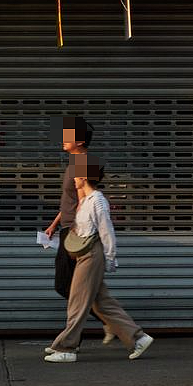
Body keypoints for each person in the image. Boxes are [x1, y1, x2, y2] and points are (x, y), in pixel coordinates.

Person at [44, 161, 154, 363]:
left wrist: (111, 258)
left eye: (76, 176)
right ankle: (138, 338)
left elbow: (107, 231)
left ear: (84, 177)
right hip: (84, 255)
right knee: (101, 302)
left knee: (78, 302)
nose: (74, 180)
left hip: (93, 256)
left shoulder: (97, 201)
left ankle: (67, 348)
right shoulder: (85, 201)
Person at [44, 117, 114, 344]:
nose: (64, 139)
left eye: (69, 136)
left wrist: (75, 229)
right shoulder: (73, 163)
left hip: (75, 234)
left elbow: (85, 199)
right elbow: (70, 198)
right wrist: (55, 223)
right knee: (87, 289)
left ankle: (80, 335)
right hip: (66, 227)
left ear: (81, 141)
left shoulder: (84, 163)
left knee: (65, 285)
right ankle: (117, 326)